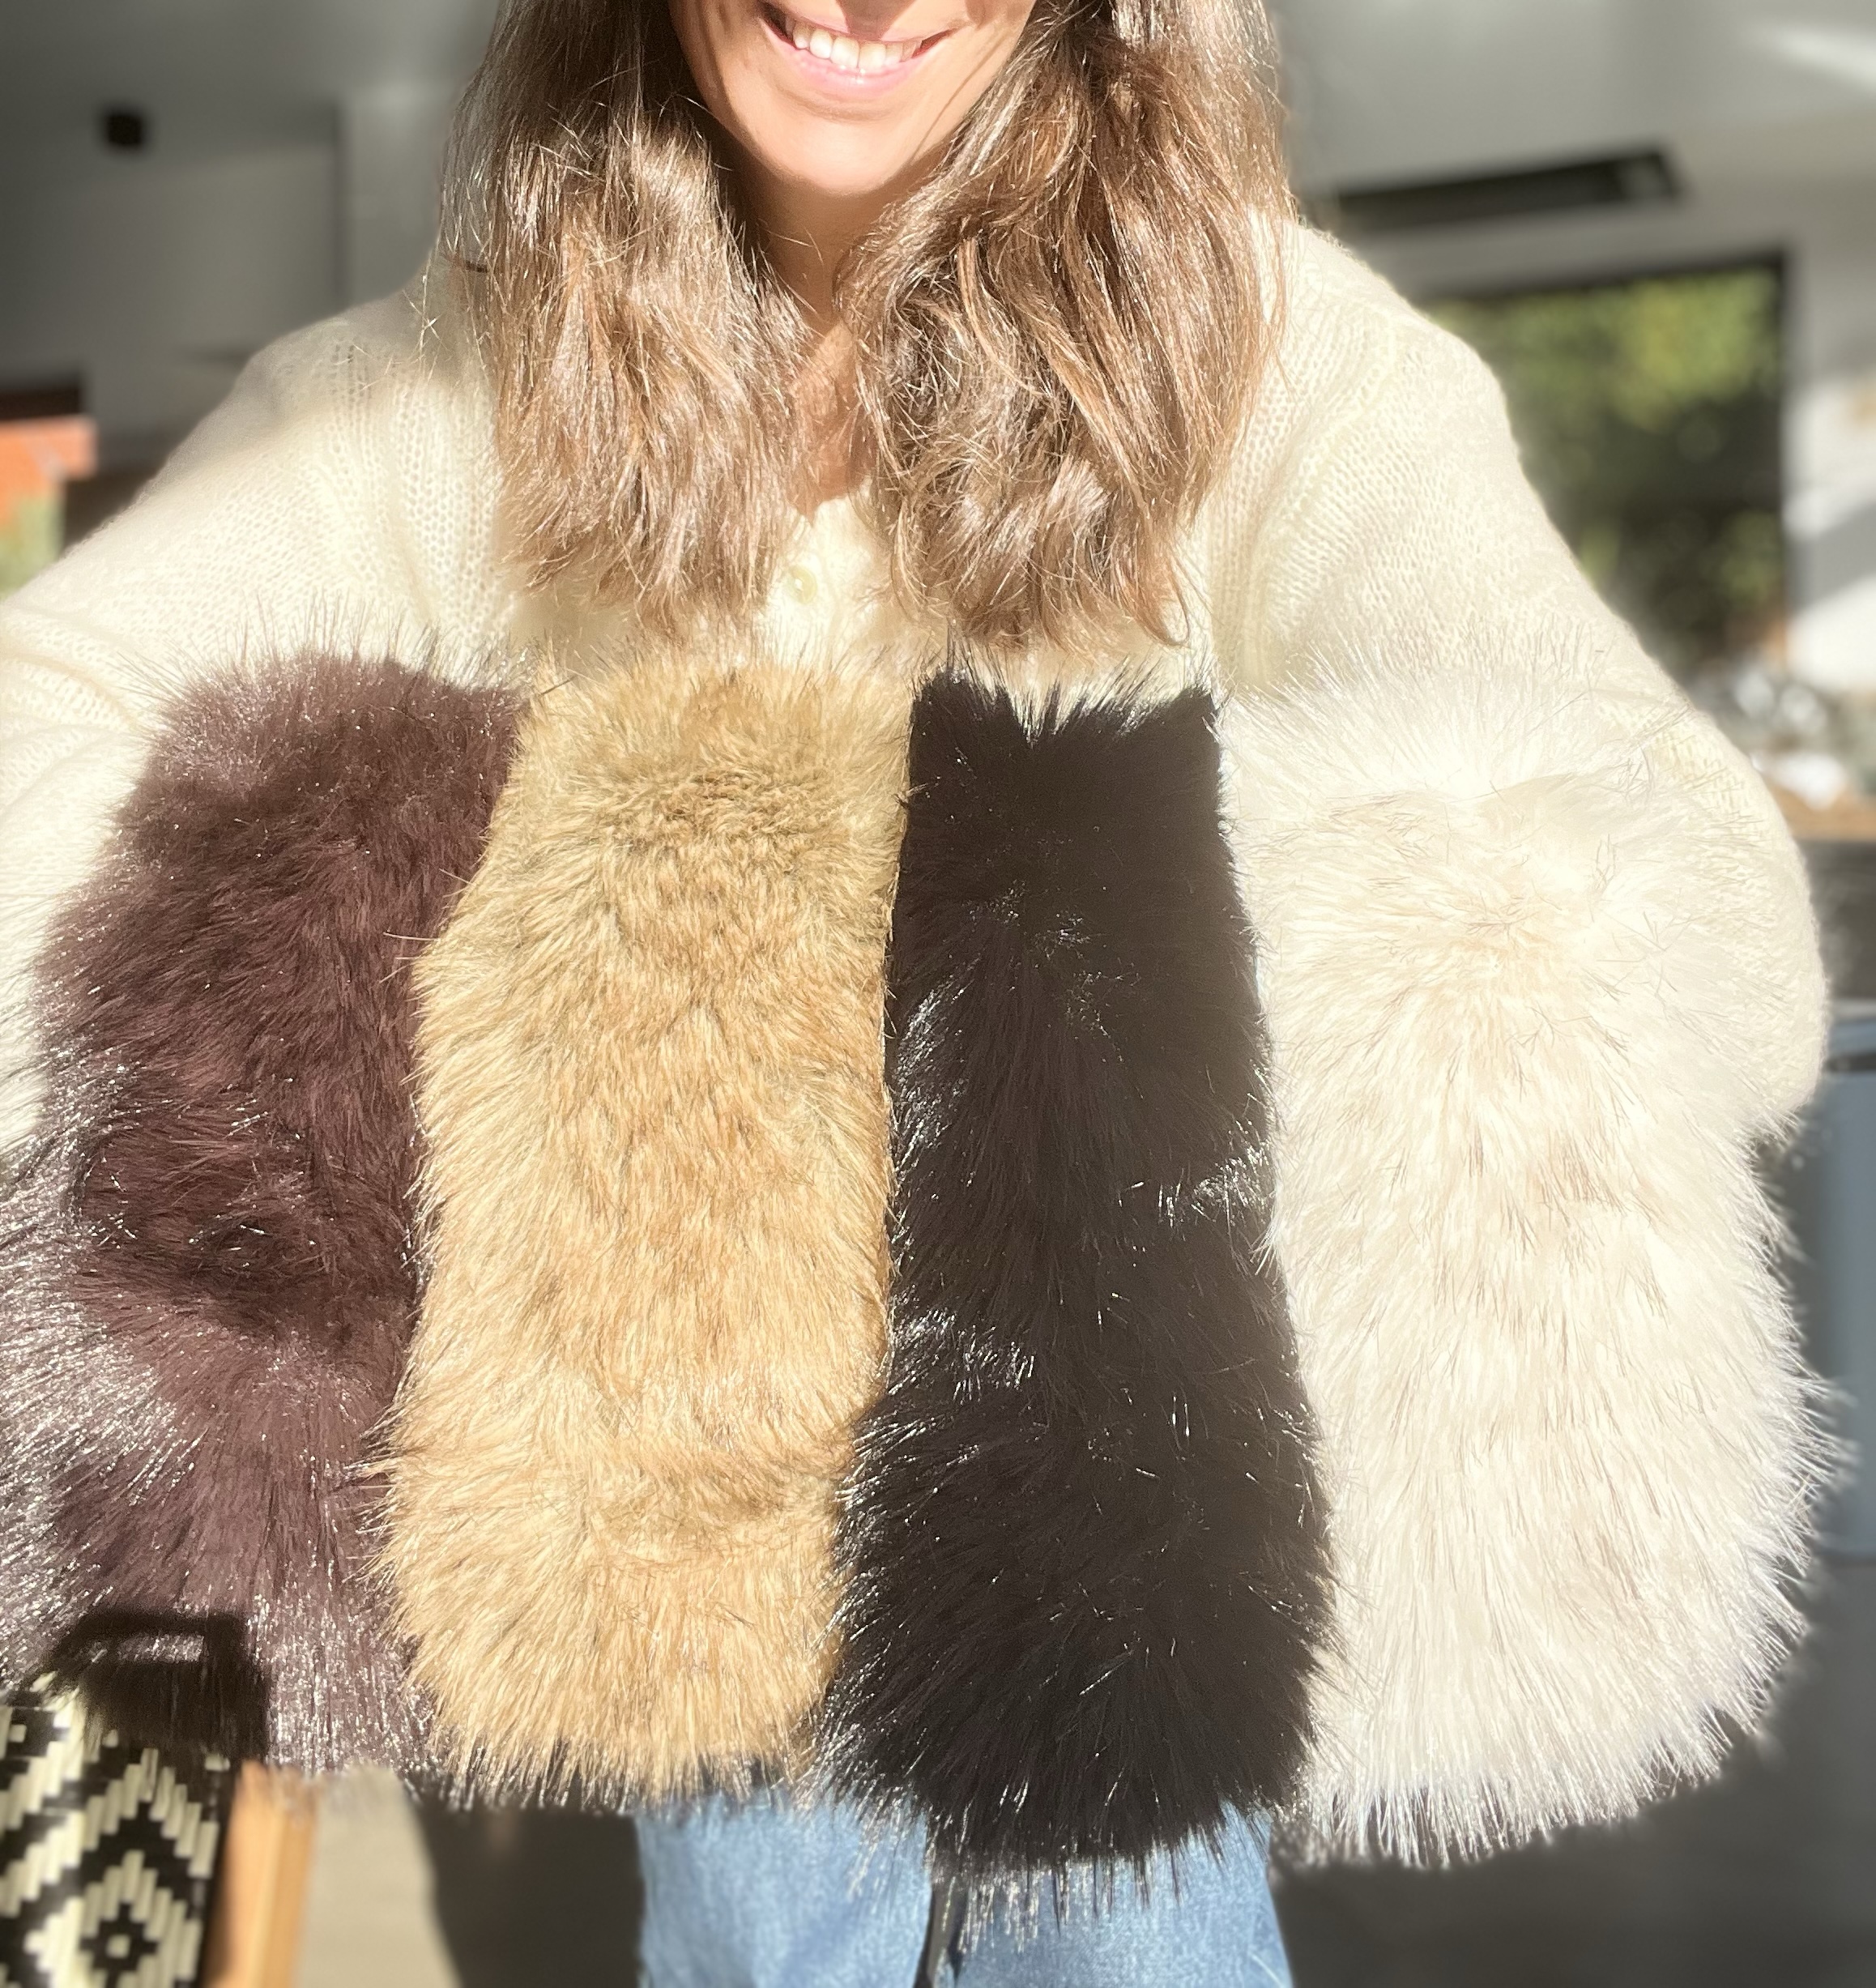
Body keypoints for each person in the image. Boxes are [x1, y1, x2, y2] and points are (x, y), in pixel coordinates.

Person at [0, 0, 1823, 1981]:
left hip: (1103, 1530)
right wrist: (545, 983)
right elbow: (41, 750)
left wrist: (1070, 980)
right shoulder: (455, 383)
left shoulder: (1268, 357)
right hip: (689, 1539)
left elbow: (1716, 933)